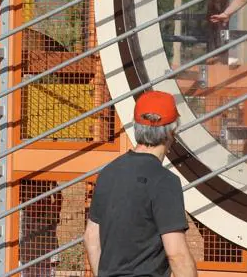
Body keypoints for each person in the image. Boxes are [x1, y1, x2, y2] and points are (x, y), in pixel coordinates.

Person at [83, 91, 197, 277]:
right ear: (172, 131)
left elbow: (91, 238)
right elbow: (177, 254)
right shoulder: (164, 181)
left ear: (136, 126)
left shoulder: (108, 173)